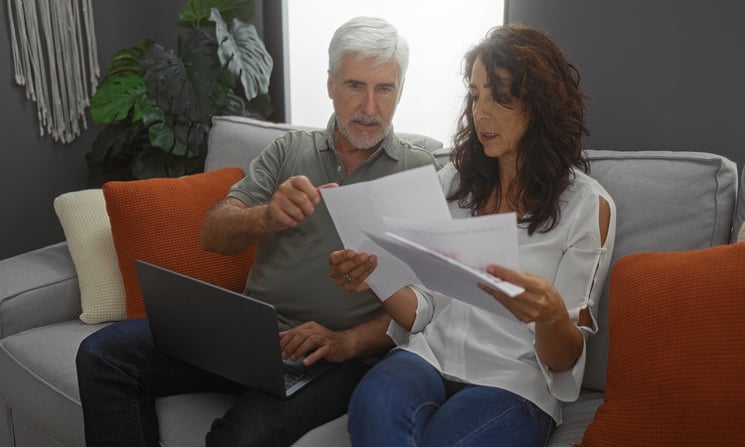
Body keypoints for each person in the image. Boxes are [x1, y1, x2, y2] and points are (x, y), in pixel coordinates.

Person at [75, 16, 438, 447]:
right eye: (355, 85)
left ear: (401, 90)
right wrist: (266, 216)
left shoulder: (419, 172)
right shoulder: (289, 150)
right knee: (101, 355)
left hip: (334, 356)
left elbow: (427, 305)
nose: (369, 108)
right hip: (249, 333)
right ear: (330, 85)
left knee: (242, 438)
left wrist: (346, 342)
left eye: (385, 89)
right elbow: (213, 233)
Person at [329, 23, 616, 446]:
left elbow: (563, 360)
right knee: (372, 404)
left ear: (539, 104)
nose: (481, 112)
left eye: (499, 96)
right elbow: (421, 308)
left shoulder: (587, 206)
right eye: (476, 94)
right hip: (427, 357)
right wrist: (374, 275)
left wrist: (550, 313)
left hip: (513, 382)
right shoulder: (455, 181)